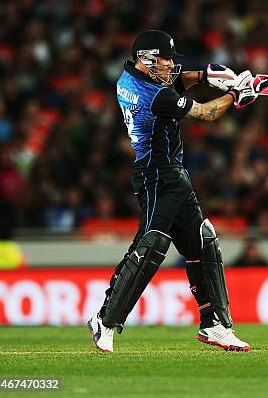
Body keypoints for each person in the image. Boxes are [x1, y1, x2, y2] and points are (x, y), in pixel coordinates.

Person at [87, 30, 258, 352]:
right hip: (156, 175)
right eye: (165, 59)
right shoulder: (155, 96)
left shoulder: (129, 77)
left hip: (171, 176)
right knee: (151, 244)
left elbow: (175, 80)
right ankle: (105, 320)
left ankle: (215, 325)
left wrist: (207, 75)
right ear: (147, 58)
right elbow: (207, 113)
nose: (170, 65)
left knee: (202, 241)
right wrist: (236, 95)